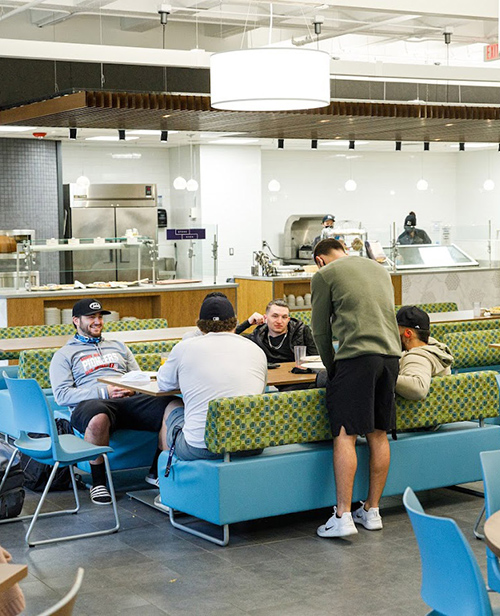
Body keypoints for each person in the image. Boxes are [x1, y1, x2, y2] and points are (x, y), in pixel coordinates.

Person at [311, 238, 401, 538]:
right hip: (390, 357)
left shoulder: (324, 274)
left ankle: (342, 516)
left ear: (320, 259)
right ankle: (372, 511)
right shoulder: (379, 269)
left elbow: (320, 328)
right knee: (378, 432)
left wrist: (332, 366)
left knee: (345, 434)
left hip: (356, 358)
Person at [50, 299, 180, 505]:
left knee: (173, 405)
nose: (97, 321)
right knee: (98, 416)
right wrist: (104, 392)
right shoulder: (64, 355)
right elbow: (62, 395)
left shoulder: (118, 346)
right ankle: (99, 482)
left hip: (128, 401)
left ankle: (157, 470)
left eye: (100, 317)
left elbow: (138, 376)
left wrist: (134, 388)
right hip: (93, 403)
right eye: (91, 317)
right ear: (76, 320)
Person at [157, 294, 267, 461]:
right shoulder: (256, 350)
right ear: (234, 323)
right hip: (251, 445)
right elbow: (262, 389)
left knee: (172, 405)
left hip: (201, 447)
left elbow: (164, 384)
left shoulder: (184, 348)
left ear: (200, 326)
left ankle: (168, 476)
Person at [396, 305, 453, 400]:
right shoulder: (435, 350)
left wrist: (384, 377)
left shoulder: (417, 357)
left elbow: (418, 388)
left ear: (408, 334)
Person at [236, 299, 317, 364]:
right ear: (266, 318)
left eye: (284, 317)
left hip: (298, 378)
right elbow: (227, 338)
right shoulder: (258, 335)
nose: (279, 321)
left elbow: (316, 358)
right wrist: (248, 323)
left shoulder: (301, 331)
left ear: (288, 319)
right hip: (270, 379)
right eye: (275, 316)